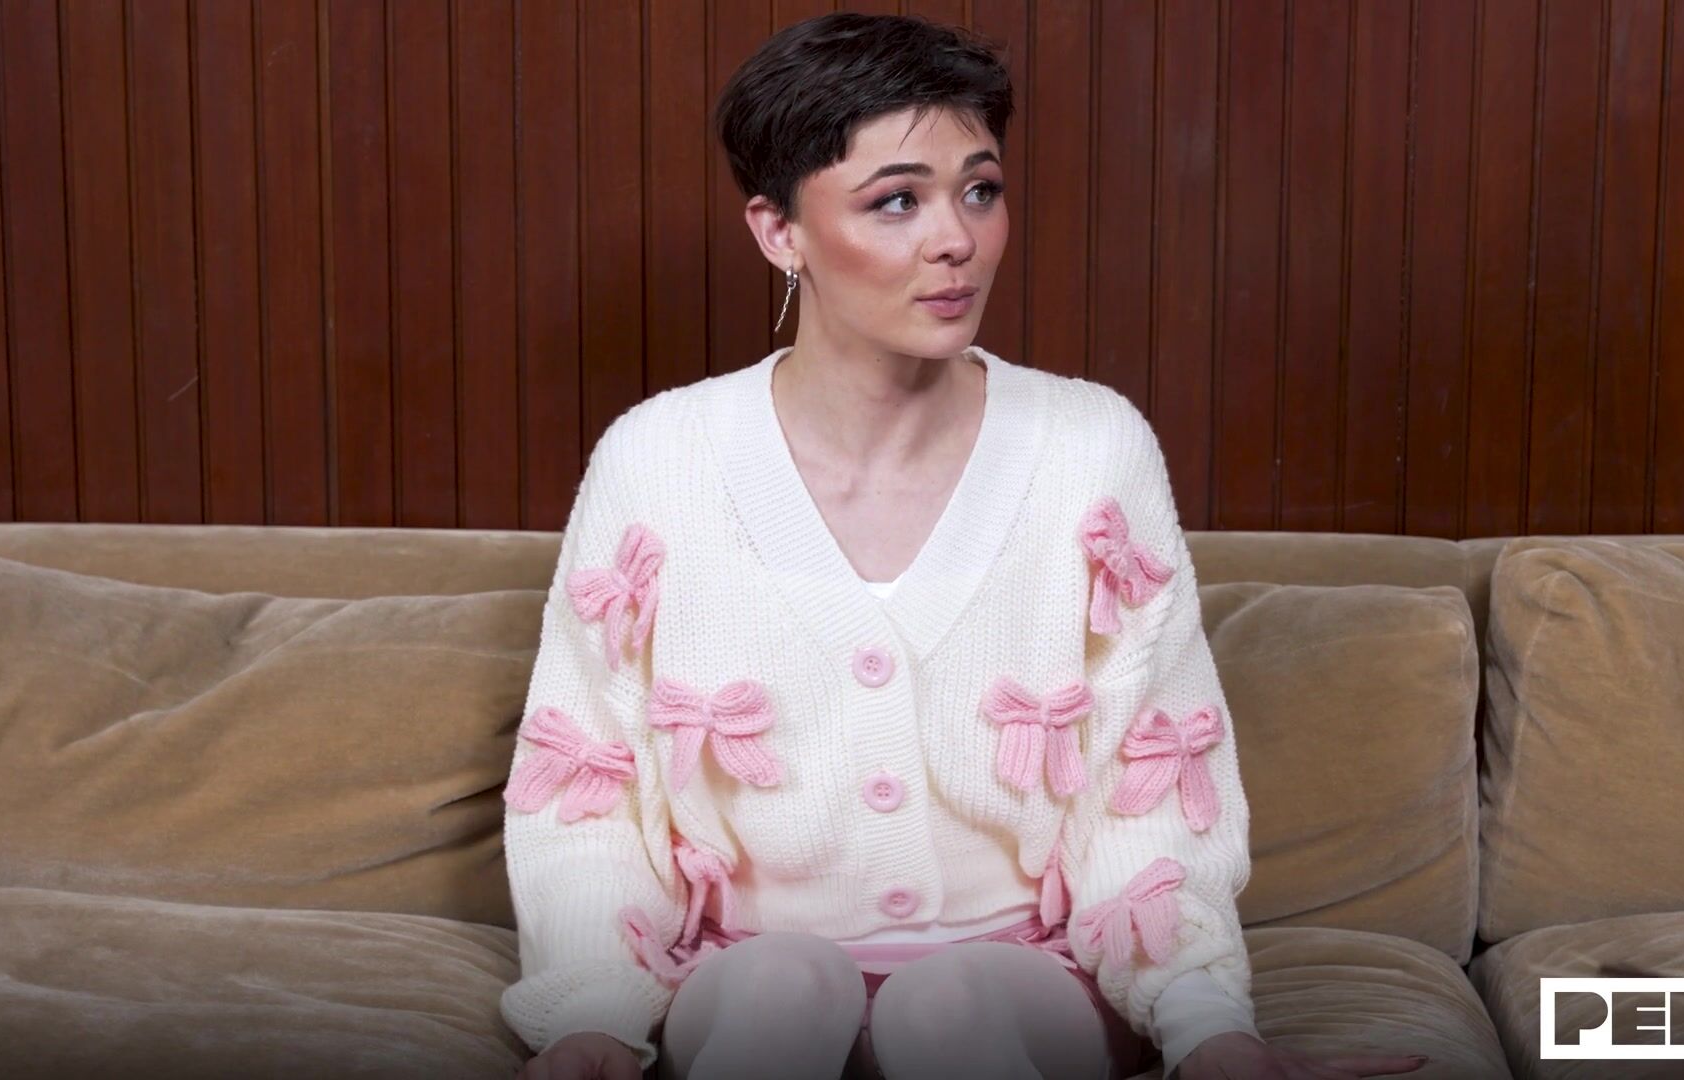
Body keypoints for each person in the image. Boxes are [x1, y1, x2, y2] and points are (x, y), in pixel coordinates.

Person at [499, 12, 1430, 1080]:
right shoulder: (658, 457)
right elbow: (586, 784)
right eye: (897, 201)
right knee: (779, 990)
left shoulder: (1092, 446)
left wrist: (1207, 1026)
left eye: (980, 191)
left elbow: (1151, 778)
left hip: (1024, 983)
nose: (958, 240)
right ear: (779, 231)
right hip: (739, 972)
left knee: (947, 1011)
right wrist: (591, 1016)